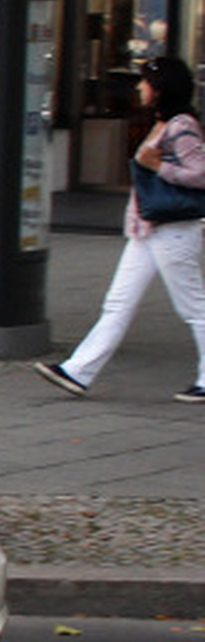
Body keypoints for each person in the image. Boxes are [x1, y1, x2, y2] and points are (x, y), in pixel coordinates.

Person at [37, 56, 205, 404]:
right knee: (118, 303)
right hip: (148, 230)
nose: (139, 87)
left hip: (173, 229)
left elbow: (200, 174)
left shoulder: (181, 126)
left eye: (145, 82)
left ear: (160, 89)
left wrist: (160, 166)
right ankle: (77, 372)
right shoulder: (163, 123)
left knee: (193, 306)